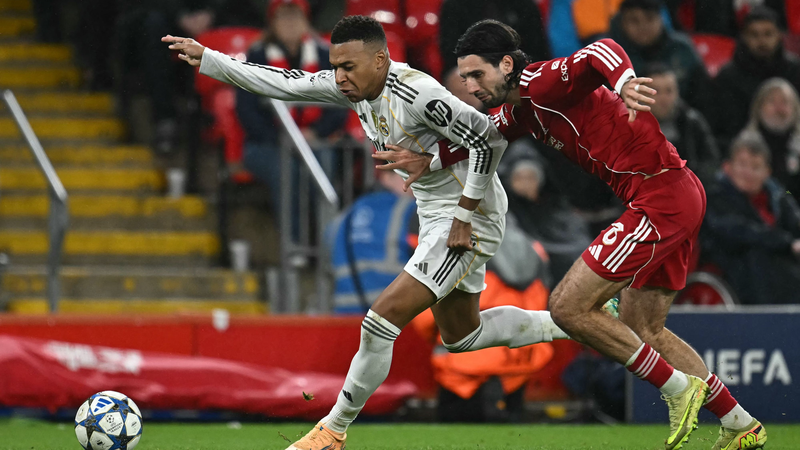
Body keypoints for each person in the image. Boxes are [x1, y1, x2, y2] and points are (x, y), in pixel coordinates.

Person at [163, 16, 572, 450]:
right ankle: (577, 321)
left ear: (381, 59)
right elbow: (285, 83)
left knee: (381, 318)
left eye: (348, 67)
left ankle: (332, 431)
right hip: (438, 214)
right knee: (462, 336)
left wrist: (465, 215)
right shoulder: (353, 86)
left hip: (468, 219)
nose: (339, 77)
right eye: (335, 66)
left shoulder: (419, 93)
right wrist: (211, 59)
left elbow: (488, 139)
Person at [383, 20, 766, 450]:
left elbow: (600, 50)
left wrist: (622, 82)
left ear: (506, 64)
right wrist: (427, 161)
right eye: (465, 76)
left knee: (567, 306)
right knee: (644, 327)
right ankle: (739, 423)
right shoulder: (518, 111)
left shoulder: (540, 84)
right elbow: (480, 140)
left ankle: (677, 388)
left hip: (660, 197)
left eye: (477, 74)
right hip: (673, 194)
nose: (470, 86)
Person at [236, 0, 348, 216]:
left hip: (314, 140)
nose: (290, 23)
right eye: (283, 17)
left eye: (295, 16)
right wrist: (282, 137)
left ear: (306, 21)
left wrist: (314, 132)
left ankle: (324, 239)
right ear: (272, 23)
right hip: (268, 143)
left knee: (325, 160)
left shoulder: (326, 57)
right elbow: (247, 111)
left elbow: (339, 106)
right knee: (286, 169)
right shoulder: (256, 58)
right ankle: (294, 244)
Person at [703, 132, 800, 305]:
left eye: (755, 167)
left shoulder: (778, 196)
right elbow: (736, 231)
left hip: (779, 265)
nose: (748, 173)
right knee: (758, 258)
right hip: (735, 265)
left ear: (767, 173)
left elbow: (794, 223)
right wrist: (787, 243)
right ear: (727, 167)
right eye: (742, 165)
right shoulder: (715, 197)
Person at [714, 6, 800, 149]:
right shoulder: (728, 77)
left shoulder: (795, 70)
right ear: (744, 37)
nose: (762, 41)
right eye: (754, 35)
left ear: (779, 35)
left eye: (768, 34)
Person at [610, 0, 712, 117]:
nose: (643, 27)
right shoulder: (609, 57)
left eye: (650, 18)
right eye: (634, 21)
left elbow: (705, 101)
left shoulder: (682, 50)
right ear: (622, 23)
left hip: (681, 127)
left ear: (661, 19)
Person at [644, 63, 721, 186]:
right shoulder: (627, 126)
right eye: (656, 91)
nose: (663, 98)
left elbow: (710, 163)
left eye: (669, 91)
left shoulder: (692, 122)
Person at [742, 78, 800, 197]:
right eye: (772, 102)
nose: (779, 109)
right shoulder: (745, 145)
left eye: (784, 102)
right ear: (759, 108)